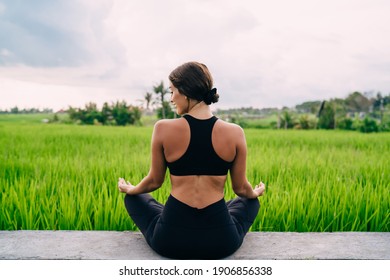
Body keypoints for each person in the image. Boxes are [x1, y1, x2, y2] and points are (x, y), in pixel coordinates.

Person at [118, 61, 265, 259]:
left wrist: (132, 190)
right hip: (221, 242)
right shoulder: (235, 132)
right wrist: (255, 192)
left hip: (170, 241)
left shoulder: (162, 128)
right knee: (251, 202)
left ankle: (164, 215)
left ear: (185, 91)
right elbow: (241, 189)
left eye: (172, 91)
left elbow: (154, 181)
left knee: (134, 199)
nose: (171, 98)